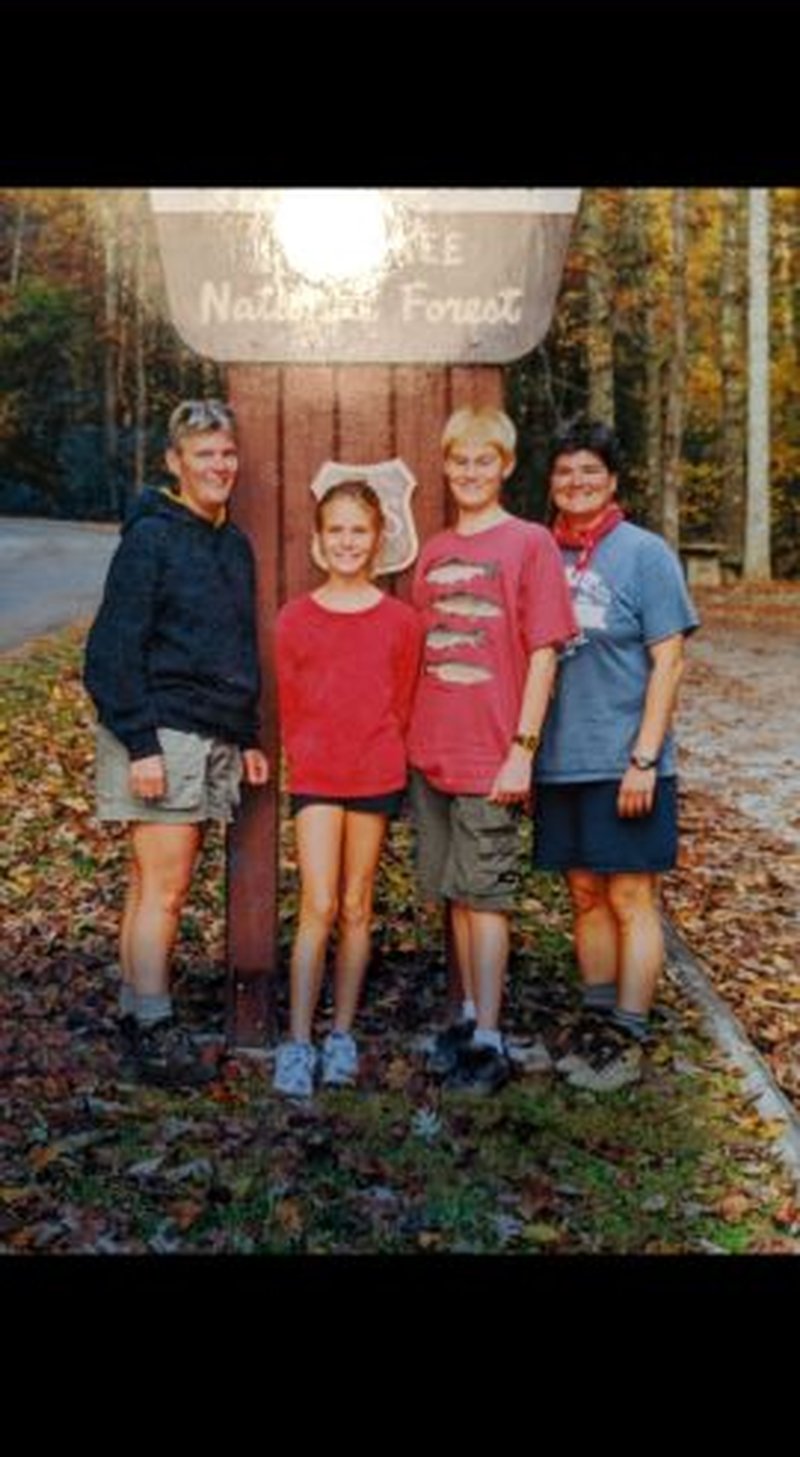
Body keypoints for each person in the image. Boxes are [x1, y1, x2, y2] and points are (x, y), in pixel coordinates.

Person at [83, 399, 269, 1086]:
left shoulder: (230, 542)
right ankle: (156, 1030)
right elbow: (109, 652)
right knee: (164, 886)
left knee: (149, 883)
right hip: (160, 730)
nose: (219, 466)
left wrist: (244, 732)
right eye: (203, 454)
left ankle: (136, 1009)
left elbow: (232, 647)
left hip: (206, 730)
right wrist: (142, 744)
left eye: (227, 453)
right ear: (174, 462)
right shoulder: (152, 539)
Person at [406, 405, 577, 1095]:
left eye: (485, 460)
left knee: (488, 897)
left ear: (505, 466)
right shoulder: (435, 551)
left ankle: (490, 1038)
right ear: (445, 467)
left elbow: (544, 653)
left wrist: (522, 749)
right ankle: (467, 1015)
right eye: (459, 460)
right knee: (453, 891)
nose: (470, 472)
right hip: (432, 749)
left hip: (492, 752)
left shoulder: (529, 542)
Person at [533, 418, 700, 1092]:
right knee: (582, 892)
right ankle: (597, 1023)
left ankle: (629, 1034)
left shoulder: (644, 553)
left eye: (590, 472)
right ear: (552, 481)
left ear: (613, 481)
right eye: (566, 471)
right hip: (560, 759)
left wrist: (645, 757)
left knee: (631, 893)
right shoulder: (539, 551)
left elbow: (669, 660)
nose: (577, 483)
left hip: (626, 759)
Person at [273, 480, 422, 1099]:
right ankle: (297, 1041)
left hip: (375, 772)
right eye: (335, 530)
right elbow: (289, 704)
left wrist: (386, 751)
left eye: (358, 530)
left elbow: (405, 701)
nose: (347, 541)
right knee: (319, 905)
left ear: (378, 540)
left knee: (358, 905)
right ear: (317, 540)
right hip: (316, 776)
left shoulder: (401, 621)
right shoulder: (295, 618)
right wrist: (305, 754)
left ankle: (341, 1034)